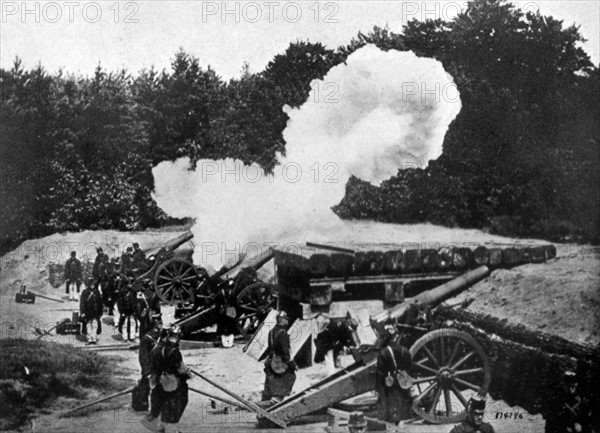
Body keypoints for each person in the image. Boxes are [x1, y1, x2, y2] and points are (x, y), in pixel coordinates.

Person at [148, 325, 191, 433]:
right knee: (177, 403)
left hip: (157, 380)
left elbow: (152, 365)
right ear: (177, 337)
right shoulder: (174, 351)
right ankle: (172, 430)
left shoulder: (156, 348)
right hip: (171, 382)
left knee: (162, 404)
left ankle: (160, 428)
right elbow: (181, 369)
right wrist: (188, 374)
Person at [376, 336, 414, 424]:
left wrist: (381, 383)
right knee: (404, 394)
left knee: (389, 395)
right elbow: (410, 367)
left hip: (391, 377)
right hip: (402, 377)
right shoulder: (404, 350)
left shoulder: (383, 353)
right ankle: (406, 414)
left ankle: (391, 417)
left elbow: (381, 372)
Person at [261, 310, 297, 402]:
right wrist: (292, 363)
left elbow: (269, 347)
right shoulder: (283, 334)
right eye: (286, 320)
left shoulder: (272, 331)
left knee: (271, 379)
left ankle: (267, 397)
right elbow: (285, 351)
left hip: (272, 359)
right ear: (282, 320)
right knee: (290, 376)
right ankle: (277, 398)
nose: (287, 322)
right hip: (280, 361)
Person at [138, 313, 163, 413]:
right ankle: (143, 405)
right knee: (146, 387)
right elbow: (143, 356)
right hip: (150, 367)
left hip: (159, 367)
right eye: (158, 323)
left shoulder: (161, 336)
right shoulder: (147, 338)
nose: (160, 325)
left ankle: (156, 407)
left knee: (158, 388)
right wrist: (147, 370)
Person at [79, 278, 103, 344]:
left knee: (95, 325)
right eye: (91, 284)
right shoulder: (85, 292)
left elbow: (100, 302)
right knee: (88, 325)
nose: (92, 285)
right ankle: (89, 338)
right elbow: (82, 303)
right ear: (89, 284)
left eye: (93, 284)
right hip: (87, 311)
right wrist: (82, 312)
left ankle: (94, 338)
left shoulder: (97, 291)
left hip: (95, 311)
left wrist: (100, 312)